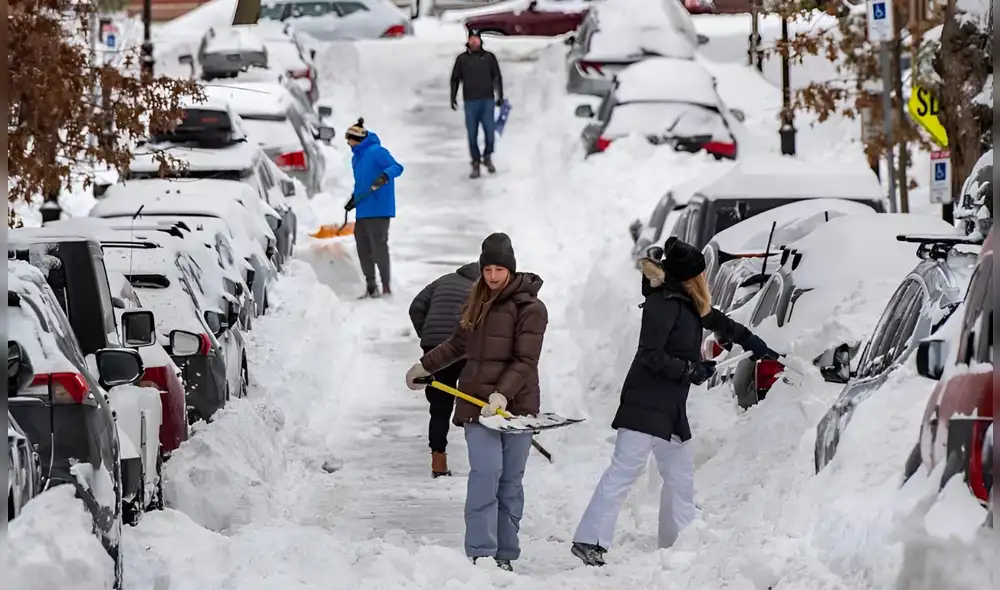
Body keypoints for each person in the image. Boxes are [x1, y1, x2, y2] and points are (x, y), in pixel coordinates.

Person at [571, 237, 779, 567]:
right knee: (625, 471)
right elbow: (649, 355)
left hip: (669, 406)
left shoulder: (687, 301)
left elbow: (720, 322)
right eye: (701, 274)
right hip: (645, 401)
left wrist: (756, 344)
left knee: (680, 475)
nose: (705, 278)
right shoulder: (662, 305)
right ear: (690, 277)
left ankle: (679, 541)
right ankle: (589, 540)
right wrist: (690, 370)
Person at [404, 233, 547, 572]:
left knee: (509, 482)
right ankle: (481, 552)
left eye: (499, 269)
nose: (493, 276)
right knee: (486, 473)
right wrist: (424, 366)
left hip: (517, 408)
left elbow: (526, 360)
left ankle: (505, 554)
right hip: (476, 405)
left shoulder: (531, 308)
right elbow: (457, 345)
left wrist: (503, 394)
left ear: (511, 270)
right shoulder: (476, 301)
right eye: (488, 270)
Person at [408, 262, 481, 478]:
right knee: (474, 399)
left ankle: (438, 459)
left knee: (440, 403)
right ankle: (482, 458)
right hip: (463, 346)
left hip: (434, 346)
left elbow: (416, 307)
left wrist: (427, 336)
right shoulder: (481, 289)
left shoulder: (443, 280)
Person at [344, 118, 404, 299]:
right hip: (363, 209)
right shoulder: (356, 158)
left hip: (379, 208)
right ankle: (371, 286)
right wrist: (354, 199)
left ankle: (386, 286)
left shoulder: (377, 151)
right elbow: (361, 184)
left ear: (356, 139)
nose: (348, 143)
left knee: (379, 248)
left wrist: (385, 176)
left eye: (349, 140)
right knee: (363, 249)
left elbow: (397, 167)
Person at [450, 30, 504, 179]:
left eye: (476, 39)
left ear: (480, 41)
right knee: (472, 135)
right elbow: (455, 79)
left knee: (489, 133)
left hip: (487, 101)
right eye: (472, 39)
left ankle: (487, 156)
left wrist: (500, 95)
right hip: (470, 102)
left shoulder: (489, 58)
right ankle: (475, 161)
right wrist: (453, 97)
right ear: (468, 40)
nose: (474, 41)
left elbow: (497, 77)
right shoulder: (462, 59)